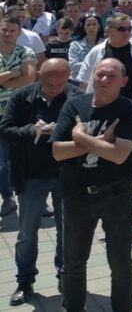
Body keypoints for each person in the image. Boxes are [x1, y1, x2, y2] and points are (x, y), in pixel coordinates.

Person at [51, 58, 132, 312]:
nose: (104, 79)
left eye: (111, 76)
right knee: (73, 262)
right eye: (100, 74)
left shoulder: (131, 110)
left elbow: (118, 155)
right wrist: (101, 142)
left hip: (116, 194)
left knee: (120, 262)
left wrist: (81, 137)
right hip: (76, 196)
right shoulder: (74, 105)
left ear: (123, 82)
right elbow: (58, 152)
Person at [73, 11, 132, 243]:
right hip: (104, 119)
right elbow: (84, 84)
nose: (127, 33)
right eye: (121, 29)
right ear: (109, 31)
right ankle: (112, 221)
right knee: (107, 169)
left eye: (129, 29)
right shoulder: (97, 53)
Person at [0, 58, 73, 305]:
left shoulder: (75, 97)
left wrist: (61, 131)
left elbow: (86, 129)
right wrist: (31, 130)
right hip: (31, 173)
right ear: (39, 74)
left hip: (66, 173)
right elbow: (5, 128)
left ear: (68, 76)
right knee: (27, 233)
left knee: (67, 231)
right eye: (48, 83)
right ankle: (24, 280)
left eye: (59, 84)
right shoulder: (22, 97)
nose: (53, 88)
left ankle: (65, 275)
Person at [0, 16, 37, 215]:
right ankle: (7, 197)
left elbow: (29, 79)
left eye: (12, 30)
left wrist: (2, 80)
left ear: (19, 33)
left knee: (27, 156)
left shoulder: (26, 52)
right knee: (2, 161)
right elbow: (21, 78)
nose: (7, 33)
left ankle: (33, 196)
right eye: (4, 29)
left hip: (21, 114)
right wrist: (12, 73)